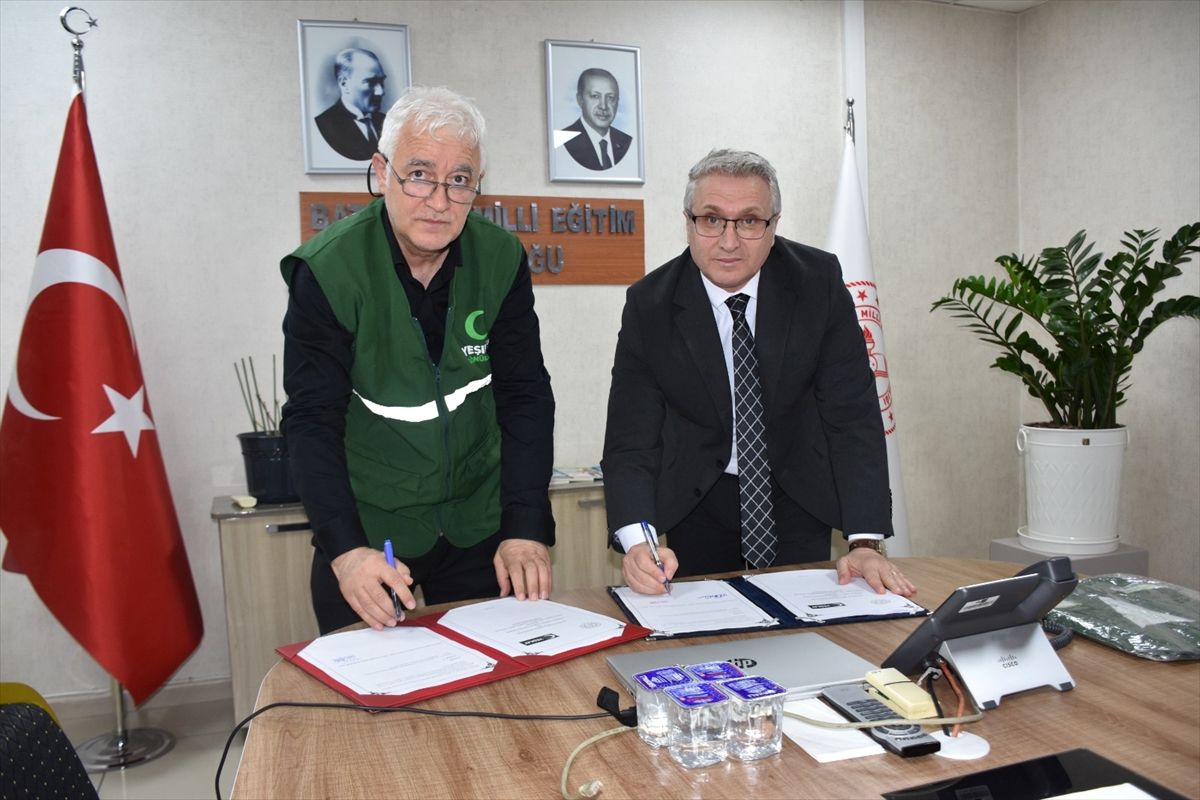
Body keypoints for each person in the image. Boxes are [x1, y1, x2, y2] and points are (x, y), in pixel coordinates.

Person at [282, 86, 556, 634]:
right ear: (381, 172)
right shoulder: (329, 270)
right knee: (375, 683)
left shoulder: (500, 259)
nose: (439, 200)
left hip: (478, 526)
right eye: (420, 174)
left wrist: (525, 524)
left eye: (459, 180)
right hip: (371, 533)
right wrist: (345, 550)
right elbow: (312, 419)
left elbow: (524, 396)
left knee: (499, 674)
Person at [601, 149, 916, 598]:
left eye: (749, 221)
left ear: (773, 226)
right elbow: (631, 438)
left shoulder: (817, 283)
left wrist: (865, 543)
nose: (729, 241)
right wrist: (639, 544)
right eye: (712, 219)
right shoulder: (649, 305)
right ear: (688, 222)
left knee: (807, 622)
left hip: (797, 492)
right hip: (698, 500)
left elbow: (851, 415)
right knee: (707, 626)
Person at [314, 48, 388, 161]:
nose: (380, 91)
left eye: (381, 81)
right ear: (344, 84)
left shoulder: (387, 122)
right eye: (371, 82)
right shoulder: (325, 124)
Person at [561, 68, 633, 171]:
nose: (603, 106)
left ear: (617, 102)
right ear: (580, 100)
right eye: (595, 96)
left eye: (610, 98)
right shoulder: (564, 141)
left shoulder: (627, 142)